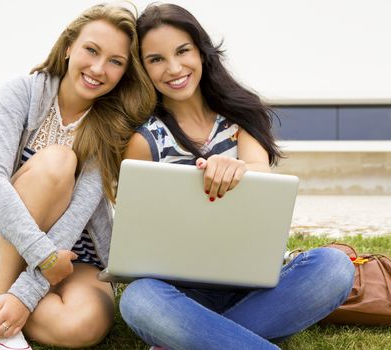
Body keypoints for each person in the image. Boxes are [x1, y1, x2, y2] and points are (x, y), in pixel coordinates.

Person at [0, 4, 155, 350]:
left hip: (73, 259)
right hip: (6, 245)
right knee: (58, 163)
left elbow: (80, 210)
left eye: (115, 61)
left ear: (125, 71)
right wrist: (41, 256)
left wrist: (31, 289)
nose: (98, 68)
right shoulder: (21, 93)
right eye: (91, 50)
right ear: (69, 47)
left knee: (81, 327)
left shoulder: (113, 124)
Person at [119, 4, 354, 350]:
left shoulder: (239, 117)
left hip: (257, 286)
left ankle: (191, 339)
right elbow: (138, 234)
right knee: (138, 298)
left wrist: (239, 170)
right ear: (142, 68)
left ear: (201, 50)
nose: (174, 68)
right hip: (181, 296)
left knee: (334, 266)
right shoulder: (145, 141)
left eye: (183, 51)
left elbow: (261, 172)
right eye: (156, 59)